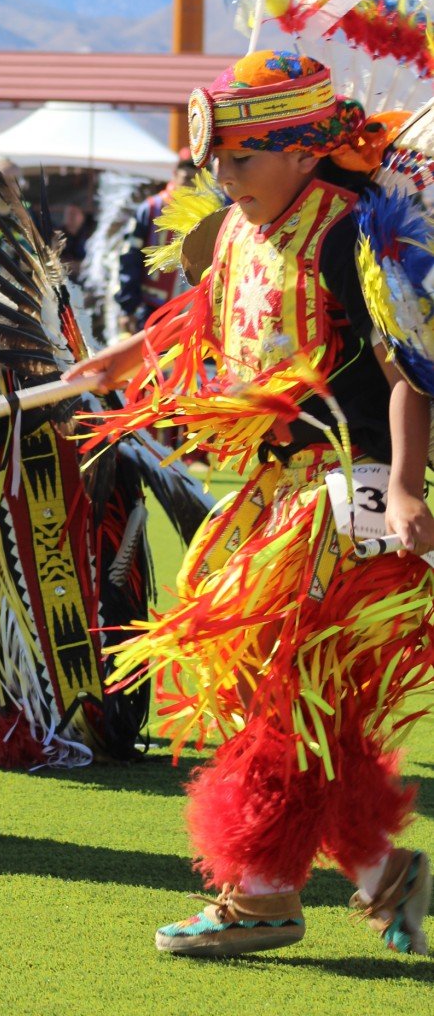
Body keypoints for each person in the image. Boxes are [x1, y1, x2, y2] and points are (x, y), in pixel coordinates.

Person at [64, 51, 434, 957]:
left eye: (243, 160)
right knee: (279, 696)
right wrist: (125, 358)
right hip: (269, 499)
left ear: (307, 152)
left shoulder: (353, 237)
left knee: (282, 691)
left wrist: (405, 485)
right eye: (217, 165)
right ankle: (385, 871)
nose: (226, 182)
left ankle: (262, 896)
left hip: (342, 498)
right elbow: (206, 310)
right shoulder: (240, 227)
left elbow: (408, 373)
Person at [114, 149, 197, 336]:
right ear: (175, 175)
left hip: (192, 313)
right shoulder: (151, 209)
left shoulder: (208, 212)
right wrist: (128, 307)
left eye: (195, 180)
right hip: (153, 309)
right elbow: (130, 257)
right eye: (186, 179)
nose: (190, 187)